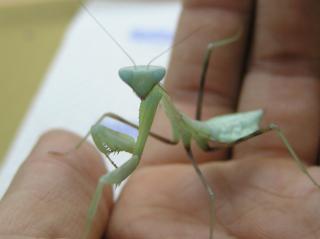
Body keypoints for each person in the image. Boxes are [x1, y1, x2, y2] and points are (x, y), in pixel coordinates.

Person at [1, 0, 319, 238]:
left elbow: (147, 152)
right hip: (202, 131)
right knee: (104, 120)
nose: (140, 90)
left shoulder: (162, 101)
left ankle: (309, 179)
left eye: (144, 85)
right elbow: (139, 145)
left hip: (227, 130)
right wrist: (74, 152)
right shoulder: (155, 97)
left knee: (272, 130)